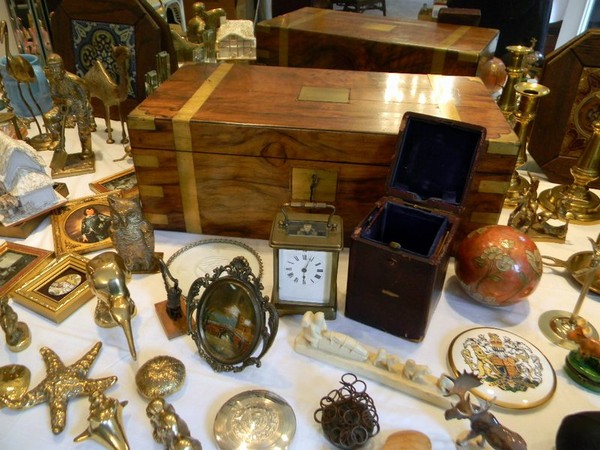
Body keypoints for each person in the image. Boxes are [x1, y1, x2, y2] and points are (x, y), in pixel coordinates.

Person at [44, 53, 94, 158]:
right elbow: (54, 96)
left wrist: (86, 105)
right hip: (63, 105)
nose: (55, 71)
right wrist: (64, 101)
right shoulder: (53, 81)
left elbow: (86, 92)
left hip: (79, 105)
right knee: (49, 118)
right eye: (52, 68)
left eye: (57, 67)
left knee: (83, 127)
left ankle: (86, 149)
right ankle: (58, 142)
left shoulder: (74, 79)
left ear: (62, 66)